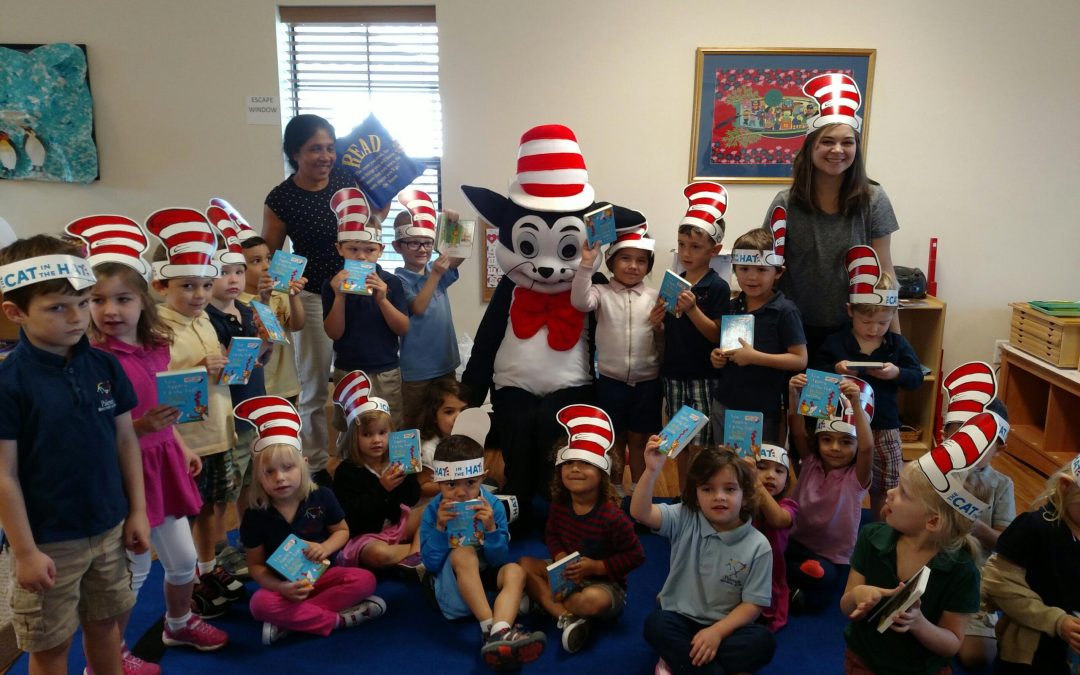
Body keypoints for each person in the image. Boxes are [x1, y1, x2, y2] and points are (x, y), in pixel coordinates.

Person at [70, 214, 228, 663]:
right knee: (130, 573)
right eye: (97, 300)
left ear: (143, 302)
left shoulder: (155, 347)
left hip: (161, 462)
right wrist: (142, 430)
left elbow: (162, 408)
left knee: (181, 560)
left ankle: (178, 625)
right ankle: (112, 653)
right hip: (121, 473)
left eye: (122, 299)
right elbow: (92, 430)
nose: (110, 311)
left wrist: (179, 445)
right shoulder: (91, 360)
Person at [0, 235, 149, 675]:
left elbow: (125, 441)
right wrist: (25, 552)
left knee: (107, 629)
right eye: (57, 307)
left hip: (108, 526)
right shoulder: (10, 384)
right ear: (16, 312)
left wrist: (137, 511)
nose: (77, 317)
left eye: (82, 303)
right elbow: (4, 475)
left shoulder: (103, 366)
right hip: (49, 539)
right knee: (50, 646)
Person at [840, 412, 1000, 675]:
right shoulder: (871, 538)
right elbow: (846, 605)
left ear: (933, 522)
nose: (890, 492)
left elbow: (951, 643)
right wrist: (858, 596)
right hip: (864, 661)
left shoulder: (962, 570)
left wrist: (918, 623)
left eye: (903, 493)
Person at [262, 114, 373, 486]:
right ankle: (315, 466)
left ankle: (356, 457)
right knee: (313, 385)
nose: (325, 156)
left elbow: (368, 223)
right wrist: (273, 300)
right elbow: (271, 252)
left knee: (361, 372)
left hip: (356, 290)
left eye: (329, 148)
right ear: (295, 153)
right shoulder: (282, 198)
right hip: (311, 296)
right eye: (315, 149)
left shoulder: (345, 178)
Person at [148, 208, 247, 618]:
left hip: (218, 430)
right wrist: (198, 370)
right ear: (160, 284)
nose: (200, 295)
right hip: (186, 441)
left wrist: (229, 362)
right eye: (187, 286)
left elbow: (214, 367)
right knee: (189, 511)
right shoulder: (158, 327)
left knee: (215, 506)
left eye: (206, 285)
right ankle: (187, 576)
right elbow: (156, 383)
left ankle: (208, 567)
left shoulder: (204, 319)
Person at [766, 72, 900, 358]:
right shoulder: (786, 203)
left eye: (847, 142)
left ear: (857, 148)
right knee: (797, 402)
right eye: (827, 141)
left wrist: (897, 341)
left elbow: (884, 269)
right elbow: (770, 270)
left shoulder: (874, 200)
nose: (837, 150)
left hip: (854, 330)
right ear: (811, 148)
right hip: (793, 330)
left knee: (851, 402)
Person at [236, 396, 386, 646]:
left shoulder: (321, 496)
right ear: (258, 478)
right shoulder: (255, 514)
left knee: (365, 580)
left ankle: (290, 621)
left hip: (324, 575)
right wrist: (281, 588)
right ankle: (336, 621)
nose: (280, 478)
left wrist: (325, 547)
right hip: (283, 586)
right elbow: (256, 567)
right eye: (269, 472)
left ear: (304, 465)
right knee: (258, 604)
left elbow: (342, 531)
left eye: (288, 467)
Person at [632, 442, 776, 674]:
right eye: (707, 489)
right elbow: (641, 512)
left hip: (726, 627)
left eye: (730, 489)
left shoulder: (759, 545)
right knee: (656, 625)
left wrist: (717, 632)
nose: (719, 497)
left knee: (762, 641)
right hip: (680, 618)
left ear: (746, 497)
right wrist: (651, 471)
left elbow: (753, 604)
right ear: (696, 496)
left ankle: (680, 661)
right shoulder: (685, 516)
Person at [419, 410, 546, 671]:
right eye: (451, 484)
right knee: (463, 553)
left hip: (485, 588)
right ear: (438, 481)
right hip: (451, 594)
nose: (462, 492)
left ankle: (499, 629)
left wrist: (490, 528)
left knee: (514, 569)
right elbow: (431, 563)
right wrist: (440, 528)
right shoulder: (434, 510)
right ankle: (493, 630)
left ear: (483, 476)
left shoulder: (492, 506)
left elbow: (499, 559)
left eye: (471, 482)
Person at [518, 405, 644, 653]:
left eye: (585, 464)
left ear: (602, 473)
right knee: (522, 565)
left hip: (604, 583)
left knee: (592, 601)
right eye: (569, 463)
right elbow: (551, 534)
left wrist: (596, 567)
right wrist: (559, 557)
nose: (575, 469)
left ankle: (547, 604)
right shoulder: (560, 504)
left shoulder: (612, 516)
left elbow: (636, 556)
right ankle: (566, 616)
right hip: (565, 575)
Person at [815, 246, 923, 518]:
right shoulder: (837, 341)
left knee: (886, 483)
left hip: (884, 425)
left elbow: (916, 377)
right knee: (839, 479)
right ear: (850, 311)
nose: (874, 329)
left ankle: (880, 527)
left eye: (883, 322)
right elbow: (815, 372)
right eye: (867, 321)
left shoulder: (896, 344)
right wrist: (836, 370)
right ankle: (834, 523)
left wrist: (895, 373)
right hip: (841, 426)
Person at [571, 215, 662, 493]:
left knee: (639, 439)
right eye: (625, 259)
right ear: (611, 262)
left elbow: (664, 341)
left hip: (648, 382)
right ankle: (613, 492)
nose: (633, 266)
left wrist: (661, 327)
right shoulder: (601, 292)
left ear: (648, 266)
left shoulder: (655, 295)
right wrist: (587, 264)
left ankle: (637, 490)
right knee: (614, 439)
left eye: (641, 260)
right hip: (610, 381)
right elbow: (579, 301)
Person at [649, 182, 730, 487]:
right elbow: (667, 333)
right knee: (677, 442)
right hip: (673, 374)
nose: (686, 252)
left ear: (715, 250)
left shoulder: (717, 286)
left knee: (703, 444)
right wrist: (657, 323)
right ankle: (685, 497)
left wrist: (694, 309)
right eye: (681, 244)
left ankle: (701, 497)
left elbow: (717, 336)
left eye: (695, 247)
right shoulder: (674, 281)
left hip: (704, 377)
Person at [935, 364, 1016, 669]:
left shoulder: (1002, 485)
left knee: (978, 657)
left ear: (1000, 448)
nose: (972, 448)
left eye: (984, 441)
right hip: (927, 569)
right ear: (946, 433)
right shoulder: (930, 473)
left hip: (974, 580)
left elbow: (1004, 543)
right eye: (964, 435)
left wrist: (973, 524)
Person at [205, 217, 272, 578]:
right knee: (223, 488)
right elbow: (221, 366)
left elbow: (261, 357)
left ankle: (249, 539)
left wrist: (265, 343)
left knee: (250, 481)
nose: (232, 279)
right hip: (225, 415)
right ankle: (218, 545)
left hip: (252, 408)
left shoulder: (247, 310)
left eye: (237, 271)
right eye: (223, 272)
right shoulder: (208, 317)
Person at [323, 186, 409, 456]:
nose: (361, 256)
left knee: (388, 428)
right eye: (353, 249)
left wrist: (383, 299)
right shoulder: (333, 284)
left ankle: (395, 477)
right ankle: (351, 477)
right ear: (340, 248)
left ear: (380, 251)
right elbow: (334, 333)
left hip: (385, 370)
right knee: (351, 430)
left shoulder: (392, 283)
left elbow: (402, 328)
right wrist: (339, 296)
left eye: (369, 249)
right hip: (348, 370)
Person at [982, 456, 1080, 675]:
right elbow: (997, 583)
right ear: (1065, 486)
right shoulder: (1034, 527)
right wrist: (1056, 620)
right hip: (1030, 654)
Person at [709, 226, 807, 444]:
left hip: (761, 410)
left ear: (778, 273)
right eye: (744, 269)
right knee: (724, 465)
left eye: (762, 270)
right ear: (734, 270)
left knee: (758, 470)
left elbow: (800, 359)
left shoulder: (785, 311)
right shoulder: (733, 306)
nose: (752, 277)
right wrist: (717, 356)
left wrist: (755, 357)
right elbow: (728, 351)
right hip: (724, 402)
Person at [785, 374, 873, 613]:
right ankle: (789, 584)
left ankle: (788, 588)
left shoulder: (856, 478)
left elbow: (867, 447)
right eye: (827, 440)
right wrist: (794, 395)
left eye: (846, 442)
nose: (835, 448)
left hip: (832, 556)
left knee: (825, 580)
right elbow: (797, 430)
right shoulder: (811, 462)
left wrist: (856, 404)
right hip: (796, 542)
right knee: (769, 553)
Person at [330, 370, 423, 572]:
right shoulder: (347, 471)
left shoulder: (396, 460)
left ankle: (414, 554)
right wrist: (382, 488)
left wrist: (409, 473)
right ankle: (421, 550)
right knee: (379, 554)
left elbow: (412, 499)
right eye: (367, 434)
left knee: (434, 509)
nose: (377, 440)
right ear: (355, 437)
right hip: (366, 537)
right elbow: (352, 519)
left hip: (398, 527)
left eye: (382, 433)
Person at [391, 189, 464, 428]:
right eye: (413, 242)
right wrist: (434, 274)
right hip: (417, 372)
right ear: (398, 246)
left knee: (447, 422)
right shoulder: (399, 280)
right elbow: (418, 307)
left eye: (427, 243)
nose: (421, 249)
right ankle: (414, 466)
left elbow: (459, 253)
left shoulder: (437, 270)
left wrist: (454, 224)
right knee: (416, 423)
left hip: (446, 363)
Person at [237, 226, 306, 405]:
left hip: (285, 383)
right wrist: (263, 299)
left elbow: (297, 325)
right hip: (254, 385)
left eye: (268, 258)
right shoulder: (235, 302)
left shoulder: (279, 293)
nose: (266, 266)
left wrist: (294, 296)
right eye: (256, 261)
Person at [749, 444, 799, 632]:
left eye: (779, 471)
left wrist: (756, 482)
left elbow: (778, 519)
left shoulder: (789, 506)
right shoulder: (741, 498)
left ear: (786, 482)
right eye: (762, 468)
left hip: (770, 573)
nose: (771, 475)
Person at [416, 378, 470, 499]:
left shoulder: (466, 439)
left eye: (463, 410)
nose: (458, 417)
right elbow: (423, 487)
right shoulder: (429, 450)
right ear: (434, 415)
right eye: (449, 412)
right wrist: (455, 484)